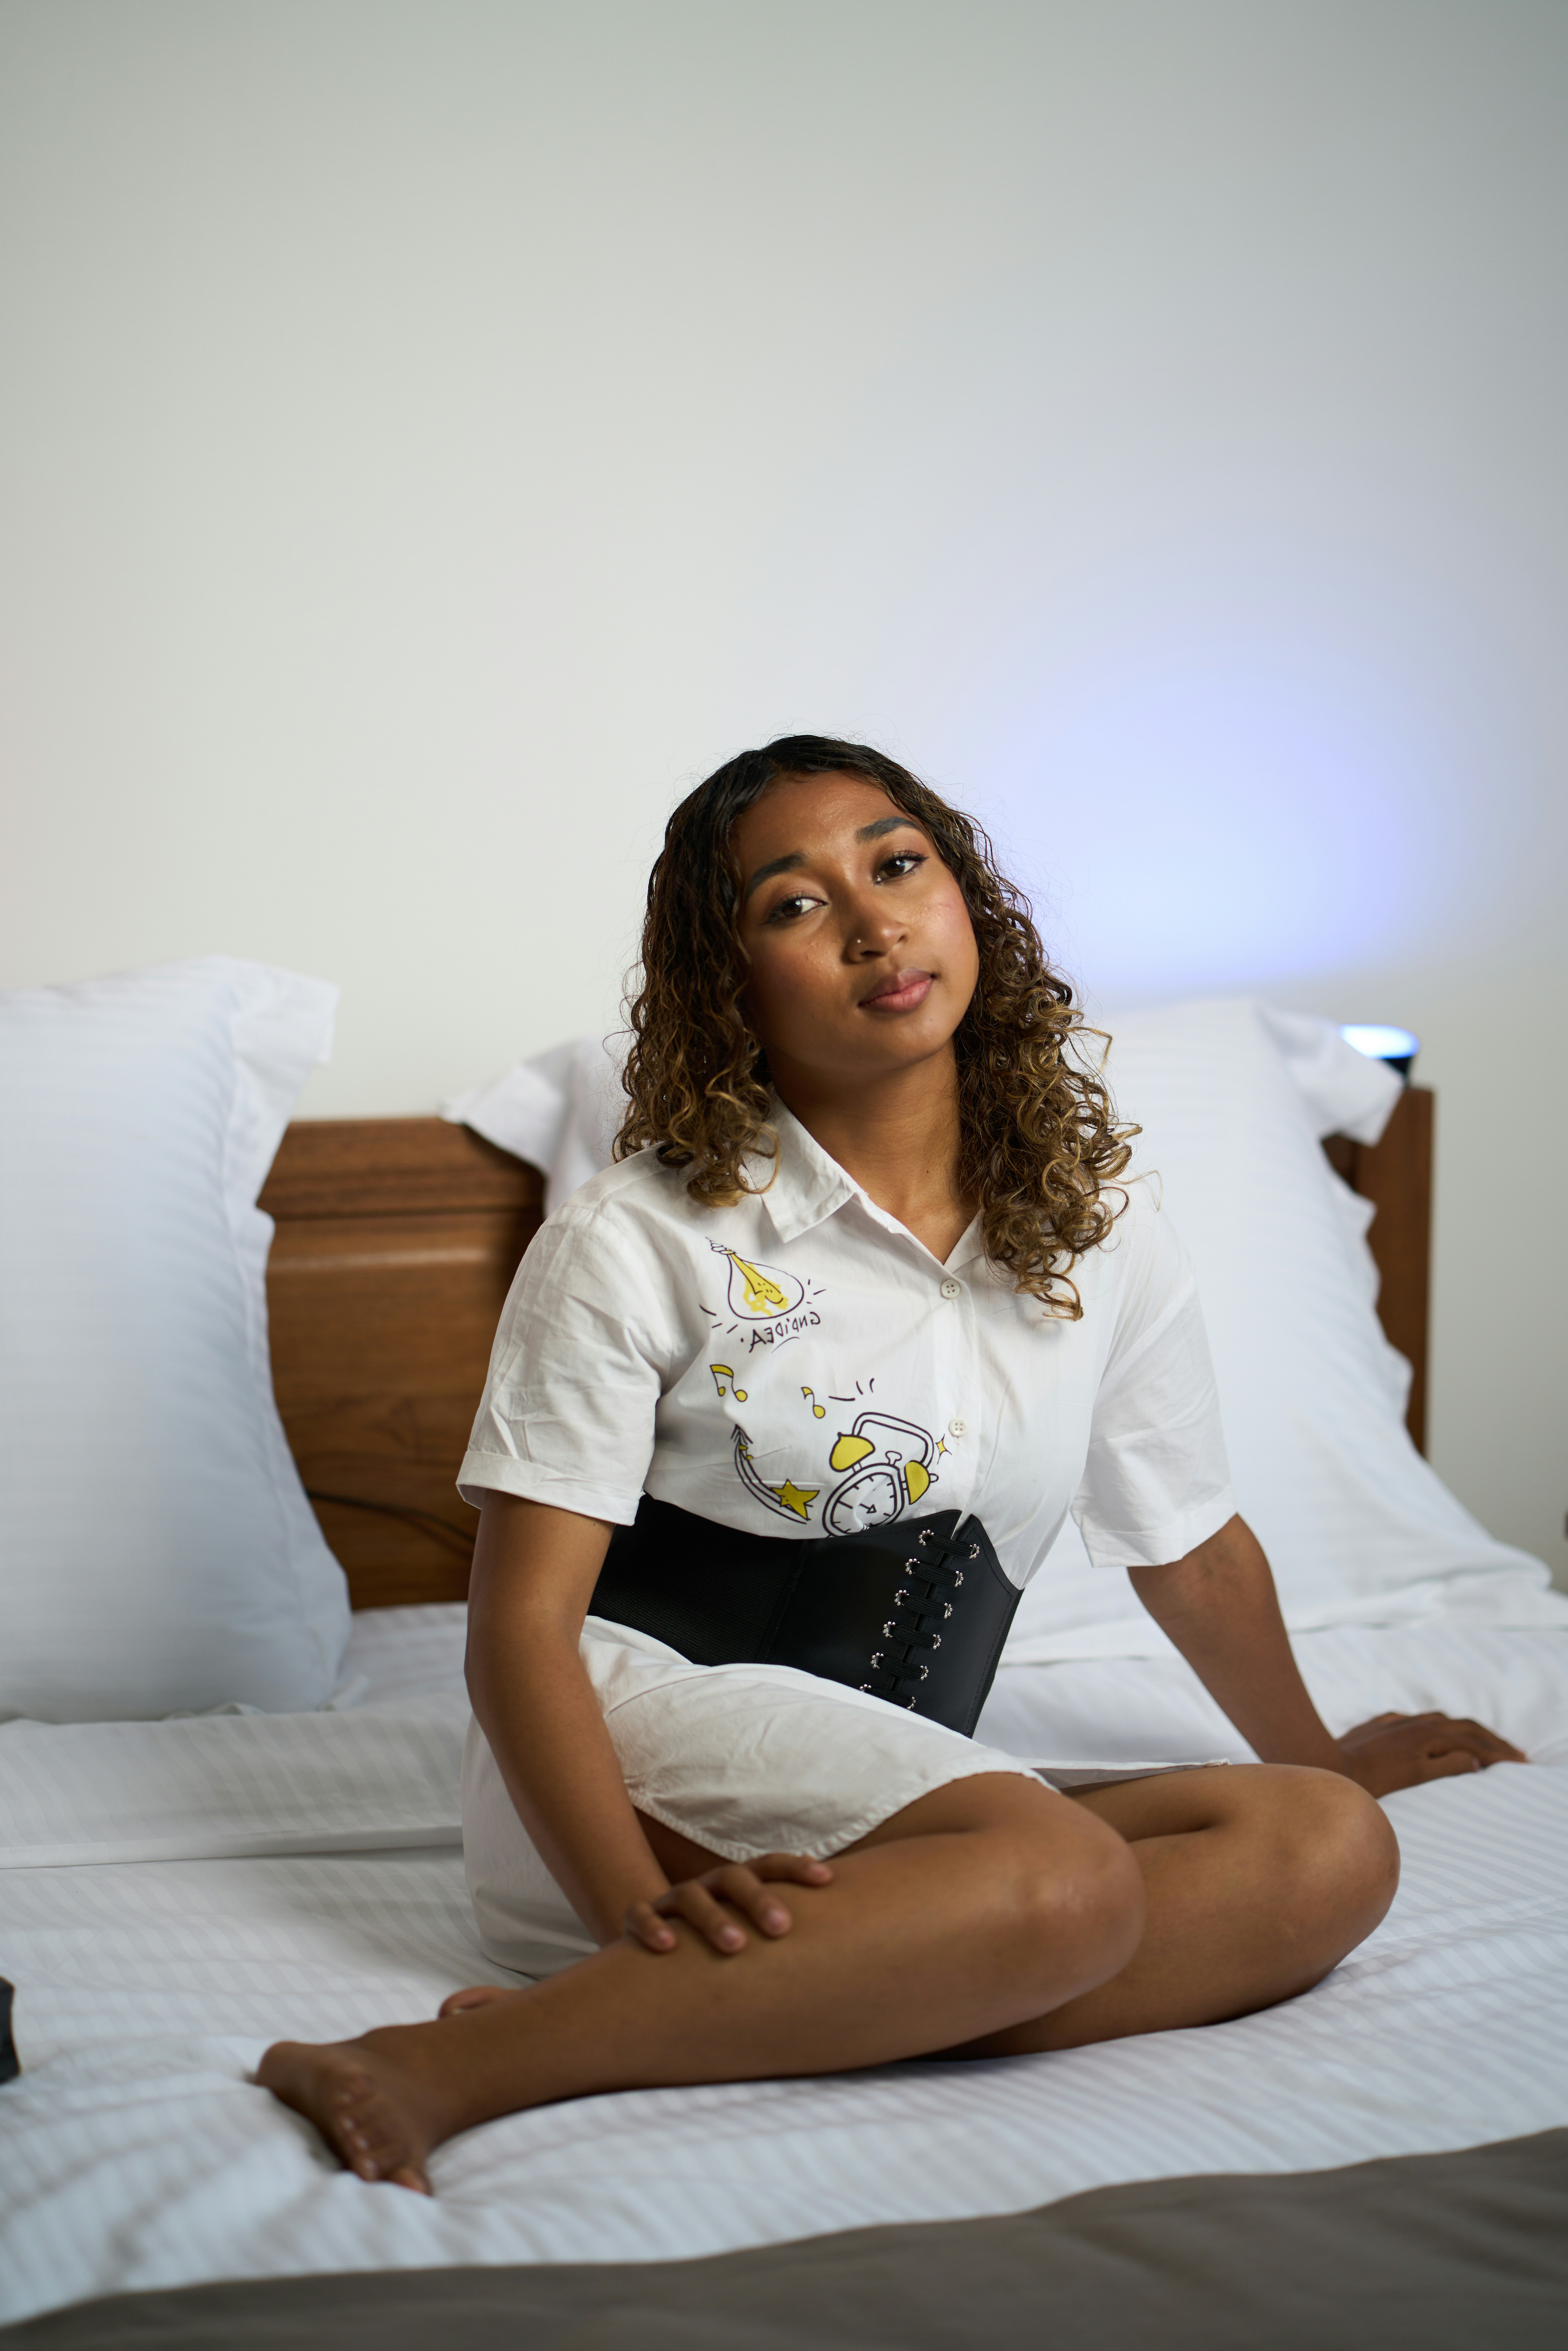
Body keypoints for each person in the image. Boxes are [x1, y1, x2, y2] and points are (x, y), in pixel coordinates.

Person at [260, 736, 1523, 2193]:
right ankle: (450, 2058)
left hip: (908, 1804)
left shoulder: (1097, 1227)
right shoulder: (634, 1237)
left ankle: (837, 1985)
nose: (871, 922)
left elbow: (1187, 1540)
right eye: (792, 904)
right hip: (637, 1772)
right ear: (727, 981)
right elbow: (518, 1633)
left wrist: (1320, 1752)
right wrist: (631, 1913)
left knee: (1321, 1847)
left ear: (966, 897)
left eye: (897, 864)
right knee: (1061, 1877)